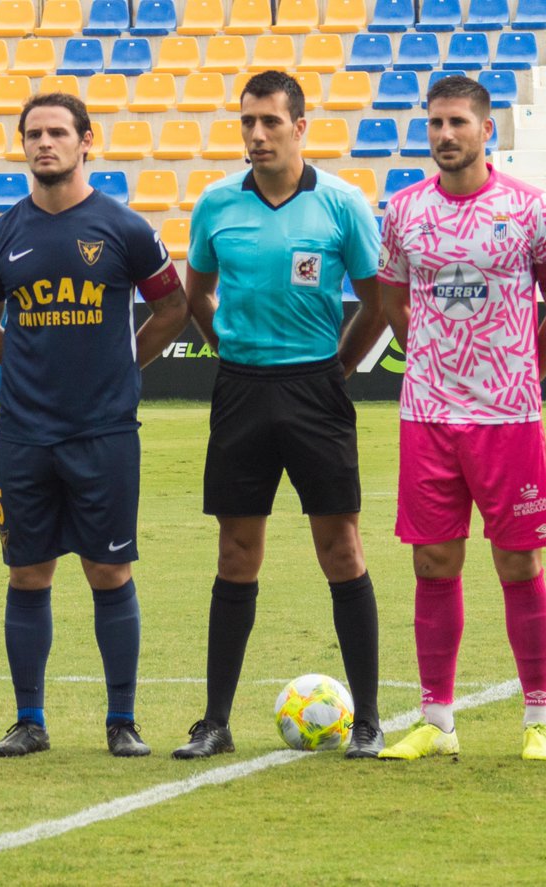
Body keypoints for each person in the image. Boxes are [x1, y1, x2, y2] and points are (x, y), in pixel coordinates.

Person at [171, 70, 389, 761]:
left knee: (342, 548)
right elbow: (194, 293)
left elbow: (377, 301)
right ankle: (214, 720)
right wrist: (227, 347)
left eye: (269, 122)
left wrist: (340, 368)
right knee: (236, 551)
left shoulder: (342, 204)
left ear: (301, 126)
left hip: (316, 389)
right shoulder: (215, 206)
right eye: (247, 123)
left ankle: (370, 719)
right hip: (241, 388)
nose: (256, 135)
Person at [0, 93, 189, 759]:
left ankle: (122, 719)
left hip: (104, 431)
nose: (44, 144)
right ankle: (29, 719)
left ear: (87, 140)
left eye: (58, 132)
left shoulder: (125, 229)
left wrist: (124, 362)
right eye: (33, 133)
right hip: (26, 433)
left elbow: (173, 307)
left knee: (108, 570)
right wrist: (32, 364)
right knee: (27, 572)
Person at [375, 75, 546, 762]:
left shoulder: (532, 211)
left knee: (519, 563)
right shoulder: (402, 211)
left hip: (508, 415)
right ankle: (436, 718)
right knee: (433, 560)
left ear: (487, 129)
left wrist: (526, 366)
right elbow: (396, 300)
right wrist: (437, 359)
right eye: (434, 123)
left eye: (457, 122)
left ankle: (539, 720)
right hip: (427, 412)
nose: (444, 135)